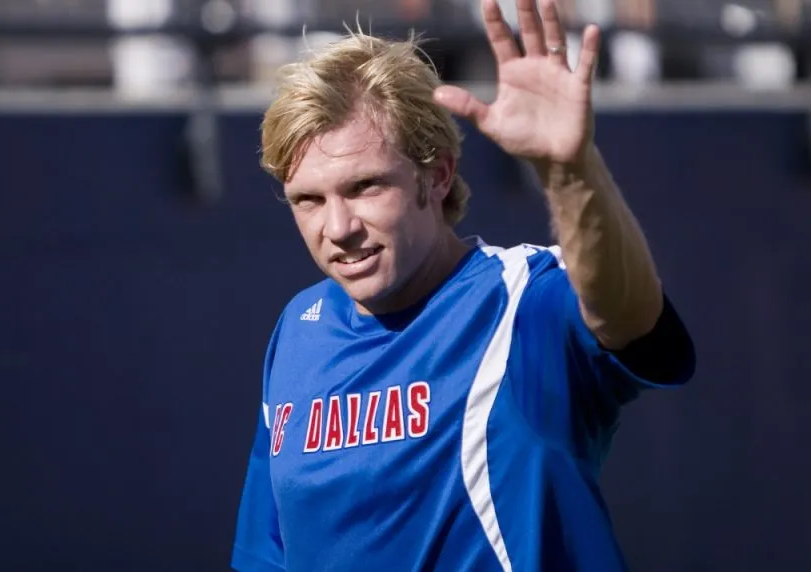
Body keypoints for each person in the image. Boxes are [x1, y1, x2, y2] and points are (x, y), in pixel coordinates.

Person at [231, 0, 696, 570]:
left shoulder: (524, 300)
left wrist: (571, 173)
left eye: (366, 186)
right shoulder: (298, 329)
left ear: (438, 174)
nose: (339, 228)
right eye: (309, 199)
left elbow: (625, 314)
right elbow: (265, 552)